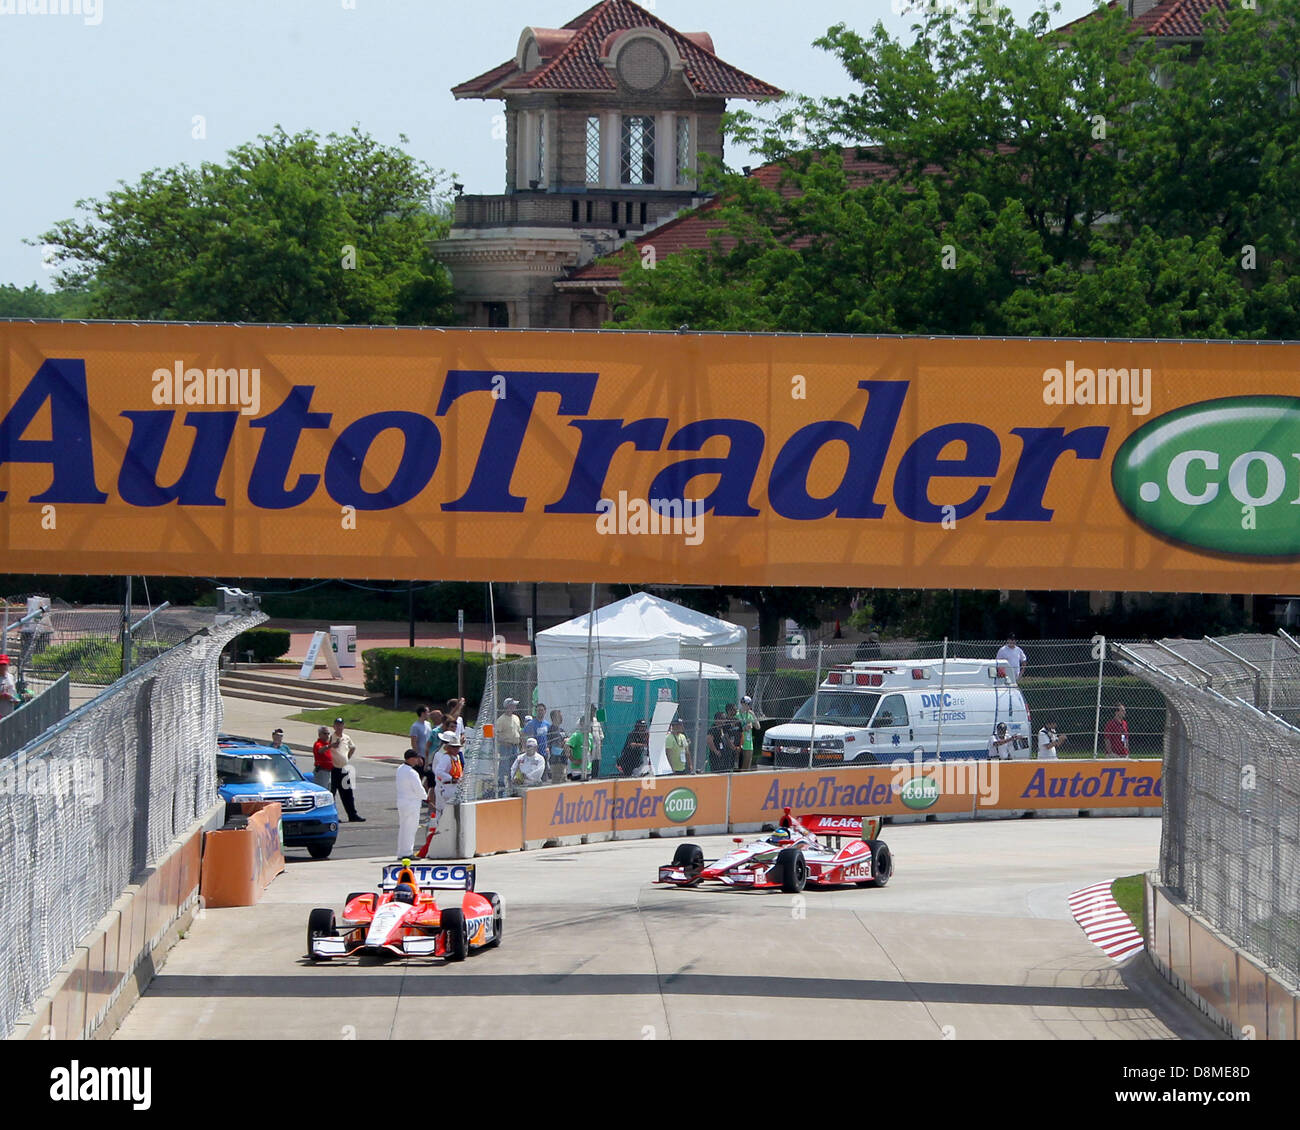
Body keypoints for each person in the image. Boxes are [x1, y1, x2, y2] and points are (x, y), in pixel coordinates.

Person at [329, 717, 365, 822]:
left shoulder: (346, 737)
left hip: (344, 769)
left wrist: (347, 758)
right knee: (332, 793)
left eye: (341, 725)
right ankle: (334, 815)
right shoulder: (331, 737)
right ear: (334, 726)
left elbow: (352, 747)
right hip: (333, 769)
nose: (339, 727)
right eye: (337, 725)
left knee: (348, 793)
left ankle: (352, 815)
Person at [395, 749, 429, 859]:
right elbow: (418, 789)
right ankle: (407, 853)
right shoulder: (412, 772)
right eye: (415, 758)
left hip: (402, 802)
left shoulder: (400, 769)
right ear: (410, 759)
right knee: (410, 828)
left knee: (404, 827)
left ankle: (402, 852)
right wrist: (426, 797)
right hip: (412, 803)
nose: (417, 760)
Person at [429, 731, 462, 827]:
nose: (456, 749)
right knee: (442, 810)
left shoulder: (456, 757)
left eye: (457, 747)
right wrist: (451, 779)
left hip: (453, 787)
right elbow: (438, 771)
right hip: (444, 786)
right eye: (453, 747)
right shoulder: (444, 756)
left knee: (451, 812)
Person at [495, 698, 522, 792]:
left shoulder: (516, 718)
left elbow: (519, 731)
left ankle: (512, 784)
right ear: (507, 707)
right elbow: (496, 735)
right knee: (504, 765)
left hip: (515, 746)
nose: (514, 707)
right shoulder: (501, 720)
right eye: (512, 705)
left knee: (514, 766)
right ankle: (501, 783)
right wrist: (503, 742)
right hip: (506, 746)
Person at [736, 695, 759, 772]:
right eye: (748, 704)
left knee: (747, 766)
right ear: (743, 704)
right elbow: (736, 730)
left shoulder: (749, 714)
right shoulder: (737, 715)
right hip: (741, 742)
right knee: (741, 765)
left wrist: (753, 715)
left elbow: (758, 727)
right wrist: (744, 728)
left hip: (749, 743)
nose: (749, 706)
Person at [546, 709, 567, 782]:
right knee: (557, 780)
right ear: (554, 717)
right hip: (556, 760)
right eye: (560, 716)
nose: (562, 718)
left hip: (563, 759)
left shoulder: (562, 730)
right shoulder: (551, 730)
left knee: (563, 780)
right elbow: (550, 745)